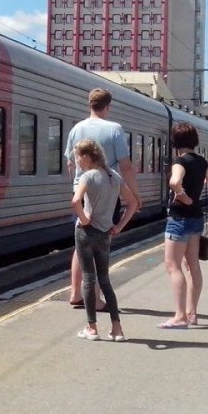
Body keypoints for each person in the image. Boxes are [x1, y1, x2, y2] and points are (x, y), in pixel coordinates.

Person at [64, 88, 141, 309]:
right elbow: (125, 167)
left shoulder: (76, 129)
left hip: (81, 189)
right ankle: (96, 300)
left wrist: (78, 183)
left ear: (90, 104)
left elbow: (70, 163)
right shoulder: (114, 129)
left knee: (81, 242)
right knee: (99, 243)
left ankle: (75, 293)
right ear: (107, 106)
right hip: (106, 190)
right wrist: (135, 194)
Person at [71, 139, 138, 341]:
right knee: (105, 280)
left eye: (77, 158)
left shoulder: (88, 176)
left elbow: (75, 201)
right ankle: (117, 329)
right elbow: (133, 202)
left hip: (86, 233)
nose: (77, 162)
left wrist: (84, 220)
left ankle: (91, 328)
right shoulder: (113, 176)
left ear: (87, 156)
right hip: (105, 234)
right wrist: (118, 227)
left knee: (89, 279)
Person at [162, 122, 208, 329]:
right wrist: (196, 188)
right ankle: (192, 313)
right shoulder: (202, 162)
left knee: (172, 265)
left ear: (175, 141)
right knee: (192, 265)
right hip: (196, 219)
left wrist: (182, 196)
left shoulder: (179, 161)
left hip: (179, 218)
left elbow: (174, 182)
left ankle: (179, 317)